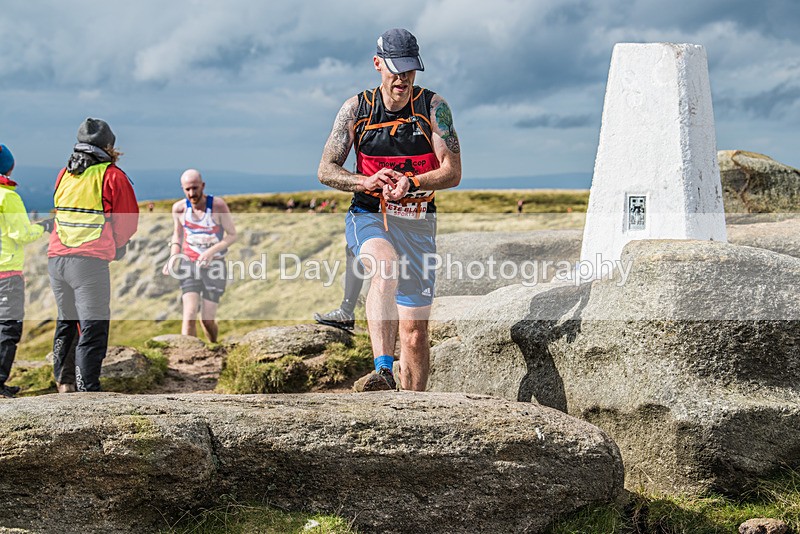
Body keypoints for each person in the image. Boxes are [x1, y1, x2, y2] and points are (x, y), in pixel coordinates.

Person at [317, 28, 462, 391]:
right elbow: (325, 169)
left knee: (414, 334)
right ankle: (382, 371)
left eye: (411, 69)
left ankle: (413, 409)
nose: (403, 78)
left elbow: (452, 172)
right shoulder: (356, 109)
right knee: (384, 265)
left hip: (417, 222)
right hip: (370, 213)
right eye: (396, 68)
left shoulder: (433, 108)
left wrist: (412, 182)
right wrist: (362, 182)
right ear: (378, 63)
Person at [48, 118, 139, 393]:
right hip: (88, 263)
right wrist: (117, 245)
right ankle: (87, 389)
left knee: (67, 321)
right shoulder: (111, 176)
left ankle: (64, 383)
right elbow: (127, 222)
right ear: (109, 146)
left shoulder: (65, 173)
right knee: (93, 326)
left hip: (56, 260)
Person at [0, 144, 52, 398]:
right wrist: (43, 227)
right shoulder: (8, 196)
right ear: (9, 167)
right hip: (6, 272)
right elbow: (20, 233)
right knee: (8, 328)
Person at [162, 169, 236, 343]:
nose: (192, 193)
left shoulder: (218, 206)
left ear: (203, 186)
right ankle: (186, 358)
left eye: (195, 188)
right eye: (187, 189)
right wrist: (173, 257)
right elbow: (178, 234)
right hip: (189, 264)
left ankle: (213, 347)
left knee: (207, 320)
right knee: (189, 316)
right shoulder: (179, 209)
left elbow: (232, 235)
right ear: (182, 188)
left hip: (215, 267)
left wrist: (211, 252)